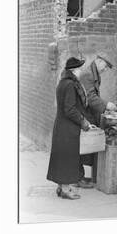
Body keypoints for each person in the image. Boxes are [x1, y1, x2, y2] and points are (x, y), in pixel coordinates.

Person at [47, 57, 91, 200]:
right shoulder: (71, 85)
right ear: (73, 70)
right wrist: (83, 122)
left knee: (62, 157)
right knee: (67, 158)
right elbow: (70, 109)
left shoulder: (63, 83)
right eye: (79, 69)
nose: (80, 71)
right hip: (68, 128)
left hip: (61, 126)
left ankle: (61, 187)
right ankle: (66, 190)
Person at [78, 54, 116, 187]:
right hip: (83, 113)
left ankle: (84, 177)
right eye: (105, 67)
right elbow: (90, 97)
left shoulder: (92, 72)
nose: (105, 70)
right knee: (83, 145)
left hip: (87, 112)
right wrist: (106, 105)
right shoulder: (88, 74)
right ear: (99, 61)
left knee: (86, 145)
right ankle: (79, 178)